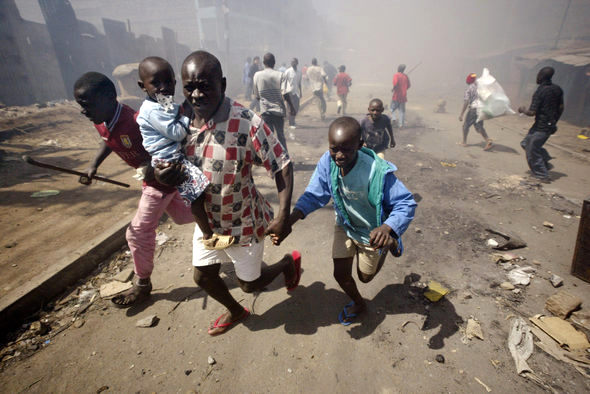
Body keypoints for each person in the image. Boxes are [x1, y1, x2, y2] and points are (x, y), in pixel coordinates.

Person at [156, 50, 301, 335]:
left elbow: (282, 166)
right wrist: (161, 174)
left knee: (250, 284)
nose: (196, 95)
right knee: (203, 276)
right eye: (189, 87)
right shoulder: (176, 125)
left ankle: (286, 263)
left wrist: (284, 215)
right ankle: (236, 310)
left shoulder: (247, 122)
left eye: (204, 86)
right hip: (206, 224)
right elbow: (158, 166)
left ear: (222, 83)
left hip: (243, 222)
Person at [73, 72, 194, 306]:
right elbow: (107, 139)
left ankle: (142, 284)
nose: (83, 111)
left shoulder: (136, 120)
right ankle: (219, 218)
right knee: (182, 216)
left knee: (137, 232)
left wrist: (154, 165)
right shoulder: (101, 121)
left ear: (108, 97)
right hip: (157, 183)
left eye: (86, 105)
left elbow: (170, 143)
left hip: (160, 182)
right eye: (81, 106)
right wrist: (93, 166)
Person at [284, 117, 415, 325]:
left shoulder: (377, 171)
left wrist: (388, 228)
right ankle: (359, 302)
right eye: (334, 148)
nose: (339, 155)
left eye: (346, 149)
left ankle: (390, 241)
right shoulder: (328, 161)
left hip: (371, 230)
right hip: (345, 224)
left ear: (360, 145)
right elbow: (314, 194)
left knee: (365, 277)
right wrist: (289, 221)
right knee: (340, 273)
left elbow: (406, 203)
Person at [136, 56, 228, 249]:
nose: (163, 87)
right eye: (156, 83)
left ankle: (210, 232)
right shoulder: (152, 110)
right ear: (143, 86)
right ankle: (209, 236)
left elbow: (174, 112)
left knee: (198, 192)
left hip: (173, 156)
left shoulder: (161, 101)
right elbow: (177, 132)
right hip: (169, 159)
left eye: (168, 82)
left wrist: (181, 112)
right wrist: (189, 117)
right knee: (196, 194)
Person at [518, 66, 564, 181]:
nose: (537, 77)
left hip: (542, 127)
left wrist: (522, 110)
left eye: (538, 75)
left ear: (542, 76)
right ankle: (545, 159)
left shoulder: (540, 91)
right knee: (525, 143)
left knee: (532, 150)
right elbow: (561, 107)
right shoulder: (558, 89)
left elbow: (532, 112)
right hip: (545, 125)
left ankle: (542, 174)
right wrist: (554, 121)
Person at [253, 52, 288, 150]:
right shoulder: (280, 75)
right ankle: (285, 158)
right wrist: (291, 107)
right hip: (279, 111)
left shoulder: (257, 75)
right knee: (281, 136)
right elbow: (285, 94)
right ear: (274, 63)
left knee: (269, 137)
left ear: (263, 62)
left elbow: (257, 96)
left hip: (265, 111)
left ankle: (273, 159)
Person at [458, 73, 493, 151]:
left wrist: (461, 114)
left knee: (466, 126)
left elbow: (466, 102)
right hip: (481, 109)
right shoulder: (480, 88)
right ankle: (488, 140)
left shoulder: (469, 89)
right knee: (479, 126)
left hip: (474, 109)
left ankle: (464, 142)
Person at [282, 57, 302, 129]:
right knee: (290, 108)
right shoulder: (287, 71)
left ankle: (292, 119)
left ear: (297, 63)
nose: (292, 63)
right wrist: (284, 92)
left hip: (296, 93)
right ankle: (291, 123)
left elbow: (299, 83)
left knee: (296, 108)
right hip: (289, 93)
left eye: (294, 62)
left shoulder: (299, 72)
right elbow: (284, 82)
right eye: (291, 62)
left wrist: (301, 92)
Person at [390, 64, 411, 128]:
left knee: (392, 108)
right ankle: (401, 125)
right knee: (402, 111)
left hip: (396, 96)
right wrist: (404, 89)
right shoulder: (406, 76)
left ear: (398, 68)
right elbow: (408, 86)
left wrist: (393, 89)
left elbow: (395, 83)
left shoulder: (396, 75)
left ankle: (394, 118)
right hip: (403, 97)